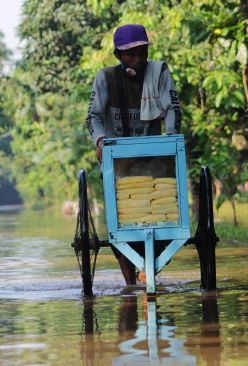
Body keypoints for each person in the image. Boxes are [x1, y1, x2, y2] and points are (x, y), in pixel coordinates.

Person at [85, 24, 182, 285]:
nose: (138, 59)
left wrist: (173, 139)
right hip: (119, 166)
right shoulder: (105, 78)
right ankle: (131, 286)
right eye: (130, 55)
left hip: (155, 164)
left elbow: (172, 107)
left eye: (142, 52)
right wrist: (101, 141)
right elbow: (93, 116)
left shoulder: (159, 72)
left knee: (165, 221)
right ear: (118, 55)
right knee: (120, 227)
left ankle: (150, 268)